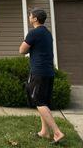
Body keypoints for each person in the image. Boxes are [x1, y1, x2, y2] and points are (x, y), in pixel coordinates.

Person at [19, 8, 65, 145]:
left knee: (39, 102)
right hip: (48, 72)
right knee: (43, 102)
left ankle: (57, 132)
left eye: (30, 15)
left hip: (38, 73)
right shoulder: (47, 33)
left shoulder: (34, 33)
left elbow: (22, 50)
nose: (29, 17)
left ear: (35, 19)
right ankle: (44, 132)